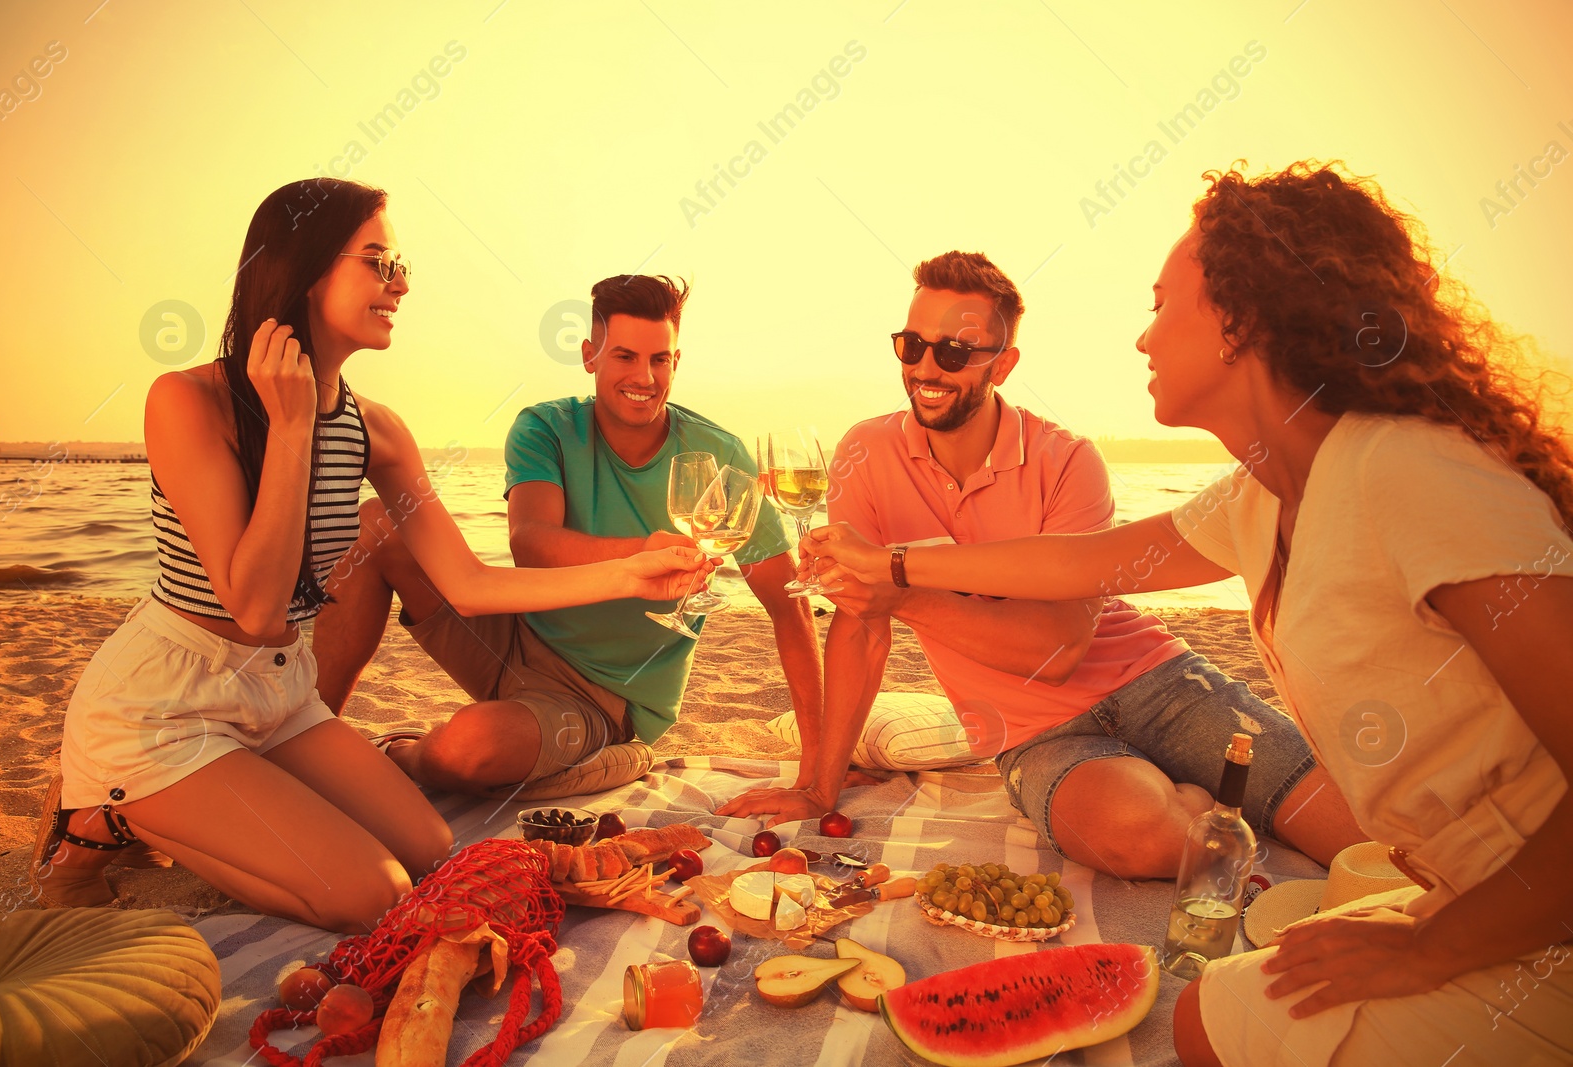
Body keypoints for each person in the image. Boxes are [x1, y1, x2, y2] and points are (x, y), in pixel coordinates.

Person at [806, 164, 1573, 1066]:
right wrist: (891, 566)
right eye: (913, 343)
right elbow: (1077, 563)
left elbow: (1066, 621)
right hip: (1476, 887)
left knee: (1249, 972)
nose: (1140, 334)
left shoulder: (1411, 471)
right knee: (1203, 1015)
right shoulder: (1266, 494)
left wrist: (1433, 948)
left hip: (1534, 918)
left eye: (1163, 302)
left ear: (1242, 318)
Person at [31, 179, 705, 933]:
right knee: (371, 894)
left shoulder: (376, 429)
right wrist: (290, 431)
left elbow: (468, 584)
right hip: (166, 701)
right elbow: (253, 606)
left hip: (279, 693)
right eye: (378, 262)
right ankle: (104, 813)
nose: (403, 282)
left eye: (399, 264)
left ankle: (198, 802)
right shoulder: (188, 402)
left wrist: (631, 569)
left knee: (428, 844)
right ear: (305, 270)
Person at [721, 250, 1360, 879]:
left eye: (952, 352)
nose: (925, 368)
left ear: (1003, 364)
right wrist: (820, 788)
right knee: (1140, 840)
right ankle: (1195, 795)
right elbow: (861, 626)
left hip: (1157, 682)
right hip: (1035, 735)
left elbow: (1056, 653)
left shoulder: (1068, 460)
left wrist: (902, 592)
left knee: (1358, 836)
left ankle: (1211, 788)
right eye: (911, 345)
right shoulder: (866, 451)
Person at [313, 275, 823, 800]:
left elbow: (790, 606)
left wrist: (816, 769)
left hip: (603, 699)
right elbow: (531, 542)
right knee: (379, 522)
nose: (644, 377)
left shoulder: (719, 455)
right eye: (624, 356)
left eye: (660, 359)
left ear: (676, 361)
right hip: (510, 637)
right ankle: (312, 736)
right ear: (589, 356)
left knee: (463, 749)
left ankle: (392, 753)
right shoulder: (546, 427)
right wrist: (640, 554)